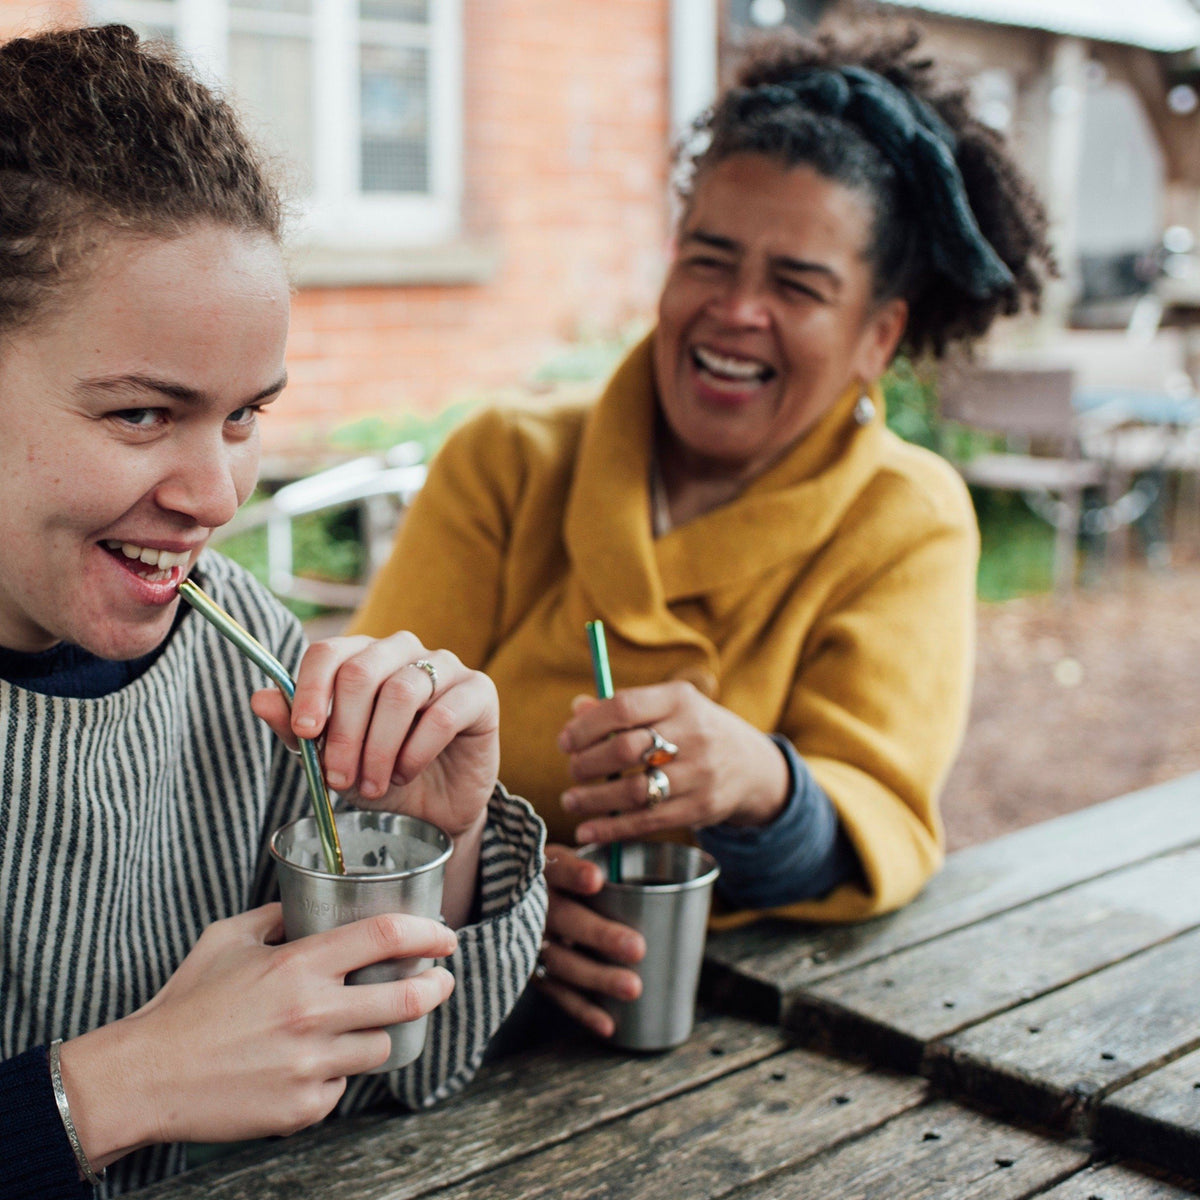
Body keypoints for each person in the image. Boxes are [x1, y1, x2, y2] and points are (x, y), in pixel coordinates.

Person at [350, 23, 1054, 1038]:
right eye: (709, 261)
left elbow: (876, 823)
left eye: (797, 286)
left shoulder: (905, 518)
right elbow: (372, 765)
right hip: (438, 1022)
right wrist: (502, 904)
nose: (734, 312)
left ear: (878, 335)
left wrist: (760, 781)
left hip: (743, 1044)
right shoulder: (505, 463)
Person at [0, 25, 547, 1198]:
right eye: (143, 415)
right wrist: (114, 1086)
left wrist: (420, 850)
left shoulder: (236, 646)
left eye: (244, 417)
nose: (214, 498)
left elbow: (403, 1076)